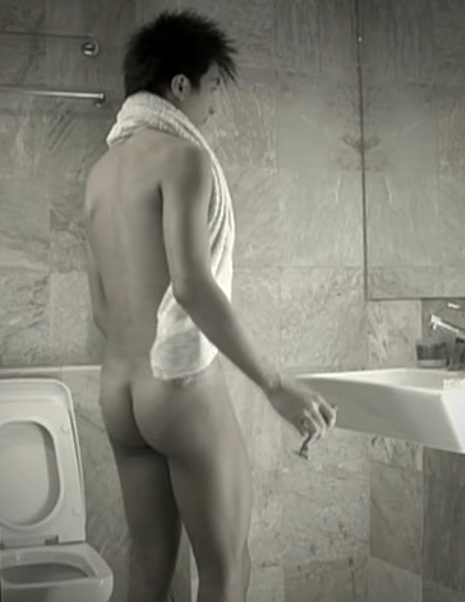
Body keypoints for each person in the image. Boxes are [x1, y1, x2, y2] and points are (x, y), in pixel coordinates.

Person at [83, 10, 337, 602]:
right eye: (213, 85)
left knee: (149, 566)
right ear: (180, 85)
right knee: (226, 570)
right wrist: (275, 384)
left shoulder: (99, 174)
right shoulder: (184, 158)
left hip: (118, 391)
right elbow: (192, 285)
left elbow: (101, 308)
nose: (215, 104)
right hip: (176, 390)